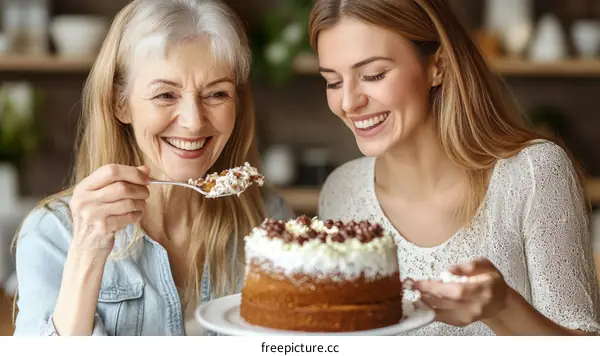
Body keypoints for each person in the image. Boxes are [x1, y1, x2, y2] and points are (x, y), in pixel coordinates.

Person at [309, 0, 600, 335]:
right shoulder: (340, 191)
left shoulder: (534, 173)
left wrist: (502, 308)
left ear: (438, 66)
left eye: (373, 75)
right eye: (332, 82)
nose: (348, 102)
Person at [12, 0, 294, 336]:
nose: (192, 122)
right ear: (121, 103)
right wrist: (87, 254)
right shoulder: (53, 234)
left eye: (217, 94)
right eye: (165, 95)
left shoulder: (272, 222)